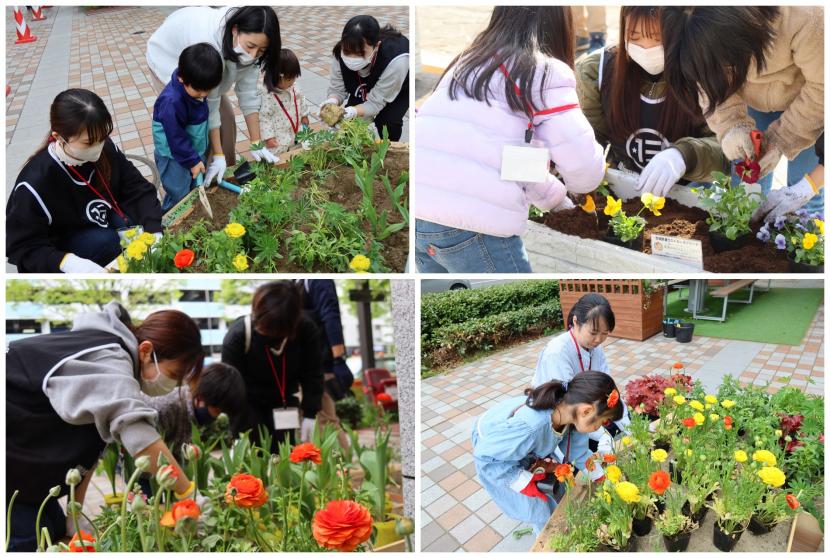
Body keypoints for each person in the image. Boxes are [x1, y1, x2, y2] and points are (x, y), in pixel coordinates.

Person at [414, 6, 605, 273]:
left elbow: (511, 162)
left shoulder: (466, 63)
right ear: (560, 27)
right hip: (475, 227)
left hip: (418, 219)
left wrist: (557, 201)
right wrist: (586, 185)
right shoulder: (544, 73)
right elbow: (584, 170)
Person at [6, 302, 203, 551]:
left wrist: (74, 513)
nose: (174, 385)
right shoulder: (110, 359)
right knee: (25, 541)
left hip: (21, 467)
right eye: (173, 374)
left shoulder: (107, 355)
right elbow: (137, 433)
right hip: (11, 457)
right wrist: (188, 494)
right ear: (145, 351)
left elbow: (88, 454)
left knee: (52, 527)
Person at [661, 6, 824, 213]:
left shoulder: (805, 17)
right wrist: (731, 125)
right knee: (746, 192)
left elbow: (822, 87)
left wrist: (784, 139)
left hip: (810, 104)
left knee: (804, 195)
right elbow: (711, 82)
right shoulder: (692, 26)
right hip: (755, 102)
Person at [575, 6, 728, 197]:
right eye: (635, 36)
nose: (646, 48)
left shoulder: (705, 74)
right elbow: (590, 135)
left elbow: (727, 148)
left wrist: (684, 155)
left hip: (689, 195)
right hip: (622, 188)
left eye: (657, 38)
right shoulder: (597, 71)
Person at [6, 89, 163, 273]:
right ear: (58, 137)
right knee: (107, 242)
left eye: (103, 137)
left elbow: (137, 188)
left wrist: (155, 232)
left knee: (132, 225)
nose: (98, 148)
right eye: (88, 143)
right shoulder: (35, 183)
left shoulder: (106, 148)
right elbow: (23, 247)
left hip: (102, 222)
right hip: (66, 245)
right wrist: (67, 262)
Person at [472, 371, 624, 534]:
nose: (599, 427)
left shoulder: (570, 413)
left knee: (547, 489)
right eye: (602, 421)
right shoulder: (532, 427)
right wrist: (519, 480)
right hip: (497, 446)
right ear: (586, 411)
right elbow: (487, 457)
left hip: (520, 440)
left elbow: (578, 452)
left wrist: (599, 476)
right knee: (537, 506)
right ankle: (545, 538)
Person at [147, 6, 283, 186]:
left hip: (205, 69)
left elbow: (249, 96)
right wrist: (218, 154)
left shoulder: (252, 50)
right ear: (235, 29)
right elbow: (210, 105)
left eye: (261, 50)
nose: (253, 55)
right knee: (192, 127)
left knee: (226, 120)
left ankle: (221, 175)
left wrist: (256, 142)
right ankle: (187, 183)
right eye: (250, 46)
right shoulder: (209, 44)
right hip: (170, 58)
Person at [221, 281, 324, 452]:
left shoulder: (305, 330)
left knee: (286, 455)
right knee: (254, 454)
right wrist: (238, 428)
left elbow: (313, 373)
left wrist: (310, 413)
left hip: (285, 401)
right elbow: (231, 387)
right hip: (247, 403)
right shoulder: (238, 336)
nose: (269, 334)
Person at [532, 293, 631, 455]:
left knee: (620, 424)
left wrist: (627, 425)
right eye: (593, 332)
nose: (599, 339)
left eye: (605, 333)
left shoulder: (595, 347)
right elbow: (571, 405)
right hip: (556, 419)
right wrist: (604, 434)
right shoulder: (557, 352)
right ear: (576, 322)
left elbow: (607, 388)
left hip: (585, 412)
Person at [153, 43, 224, 212]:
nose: (204, 95)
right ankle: (169, 223)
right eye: (199, 91)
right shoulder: (171, 101)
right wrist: (192, 160)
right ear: (181, 78)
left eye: (208, 90)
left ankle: (191, 210)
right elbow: (175, 138)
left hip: (191, 149)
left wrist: (195, 158)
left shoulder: (195, 85)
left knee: (192, 185)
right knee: (178, 193)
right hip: (173, 156)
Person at [321, 15, 409, 141]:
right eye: (347, 51)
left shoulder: (396, 60)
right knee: (348, 128)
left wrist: (352, 111)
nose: (352, 58)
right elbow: (337, 88)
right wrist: (331, 102)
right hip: (364, 86)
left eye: (359, 53)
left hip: (396, 88)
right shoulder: (339, 53)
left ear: (377, 46)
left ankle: (389, 148)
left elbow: (375, 103)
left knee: (387, 121)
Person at [140, 361, 247, 460]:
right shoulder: (165, 408)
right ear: (201, 397)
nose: (217, 417)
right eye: (218, 411)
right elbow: (146, 453)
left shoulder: (193, 411)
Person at [296, 279, 354, 450]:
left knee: (326, 420)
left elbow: (331, 316)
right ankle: (327, 469)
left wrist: (338, 359)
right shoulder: (298, 281)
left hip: (321, 365)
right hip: (308, 364)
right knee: (317, 422)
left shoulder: (319, 281)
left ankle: (344, 468)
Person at [754, 133, 824, 222]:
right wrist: (736, 124)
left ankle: (807, 233)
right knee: (750, 194)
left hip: (812, 121)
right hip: (758, 119)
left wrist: (806, 188)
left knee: (807, 206)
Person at [260, 49, 310, 156]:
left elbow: (302, 100)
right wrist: (268, 137)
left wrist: (304, 115)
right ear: (277, 77)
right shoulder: (267, 95)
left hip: (293, 128)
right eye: (289, 79)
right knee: (279, 155)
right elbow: (264, 117)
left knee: (295, 150)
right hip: (278, 136)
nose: (293, 81)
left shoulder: (293, 86)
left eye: (294, 77)